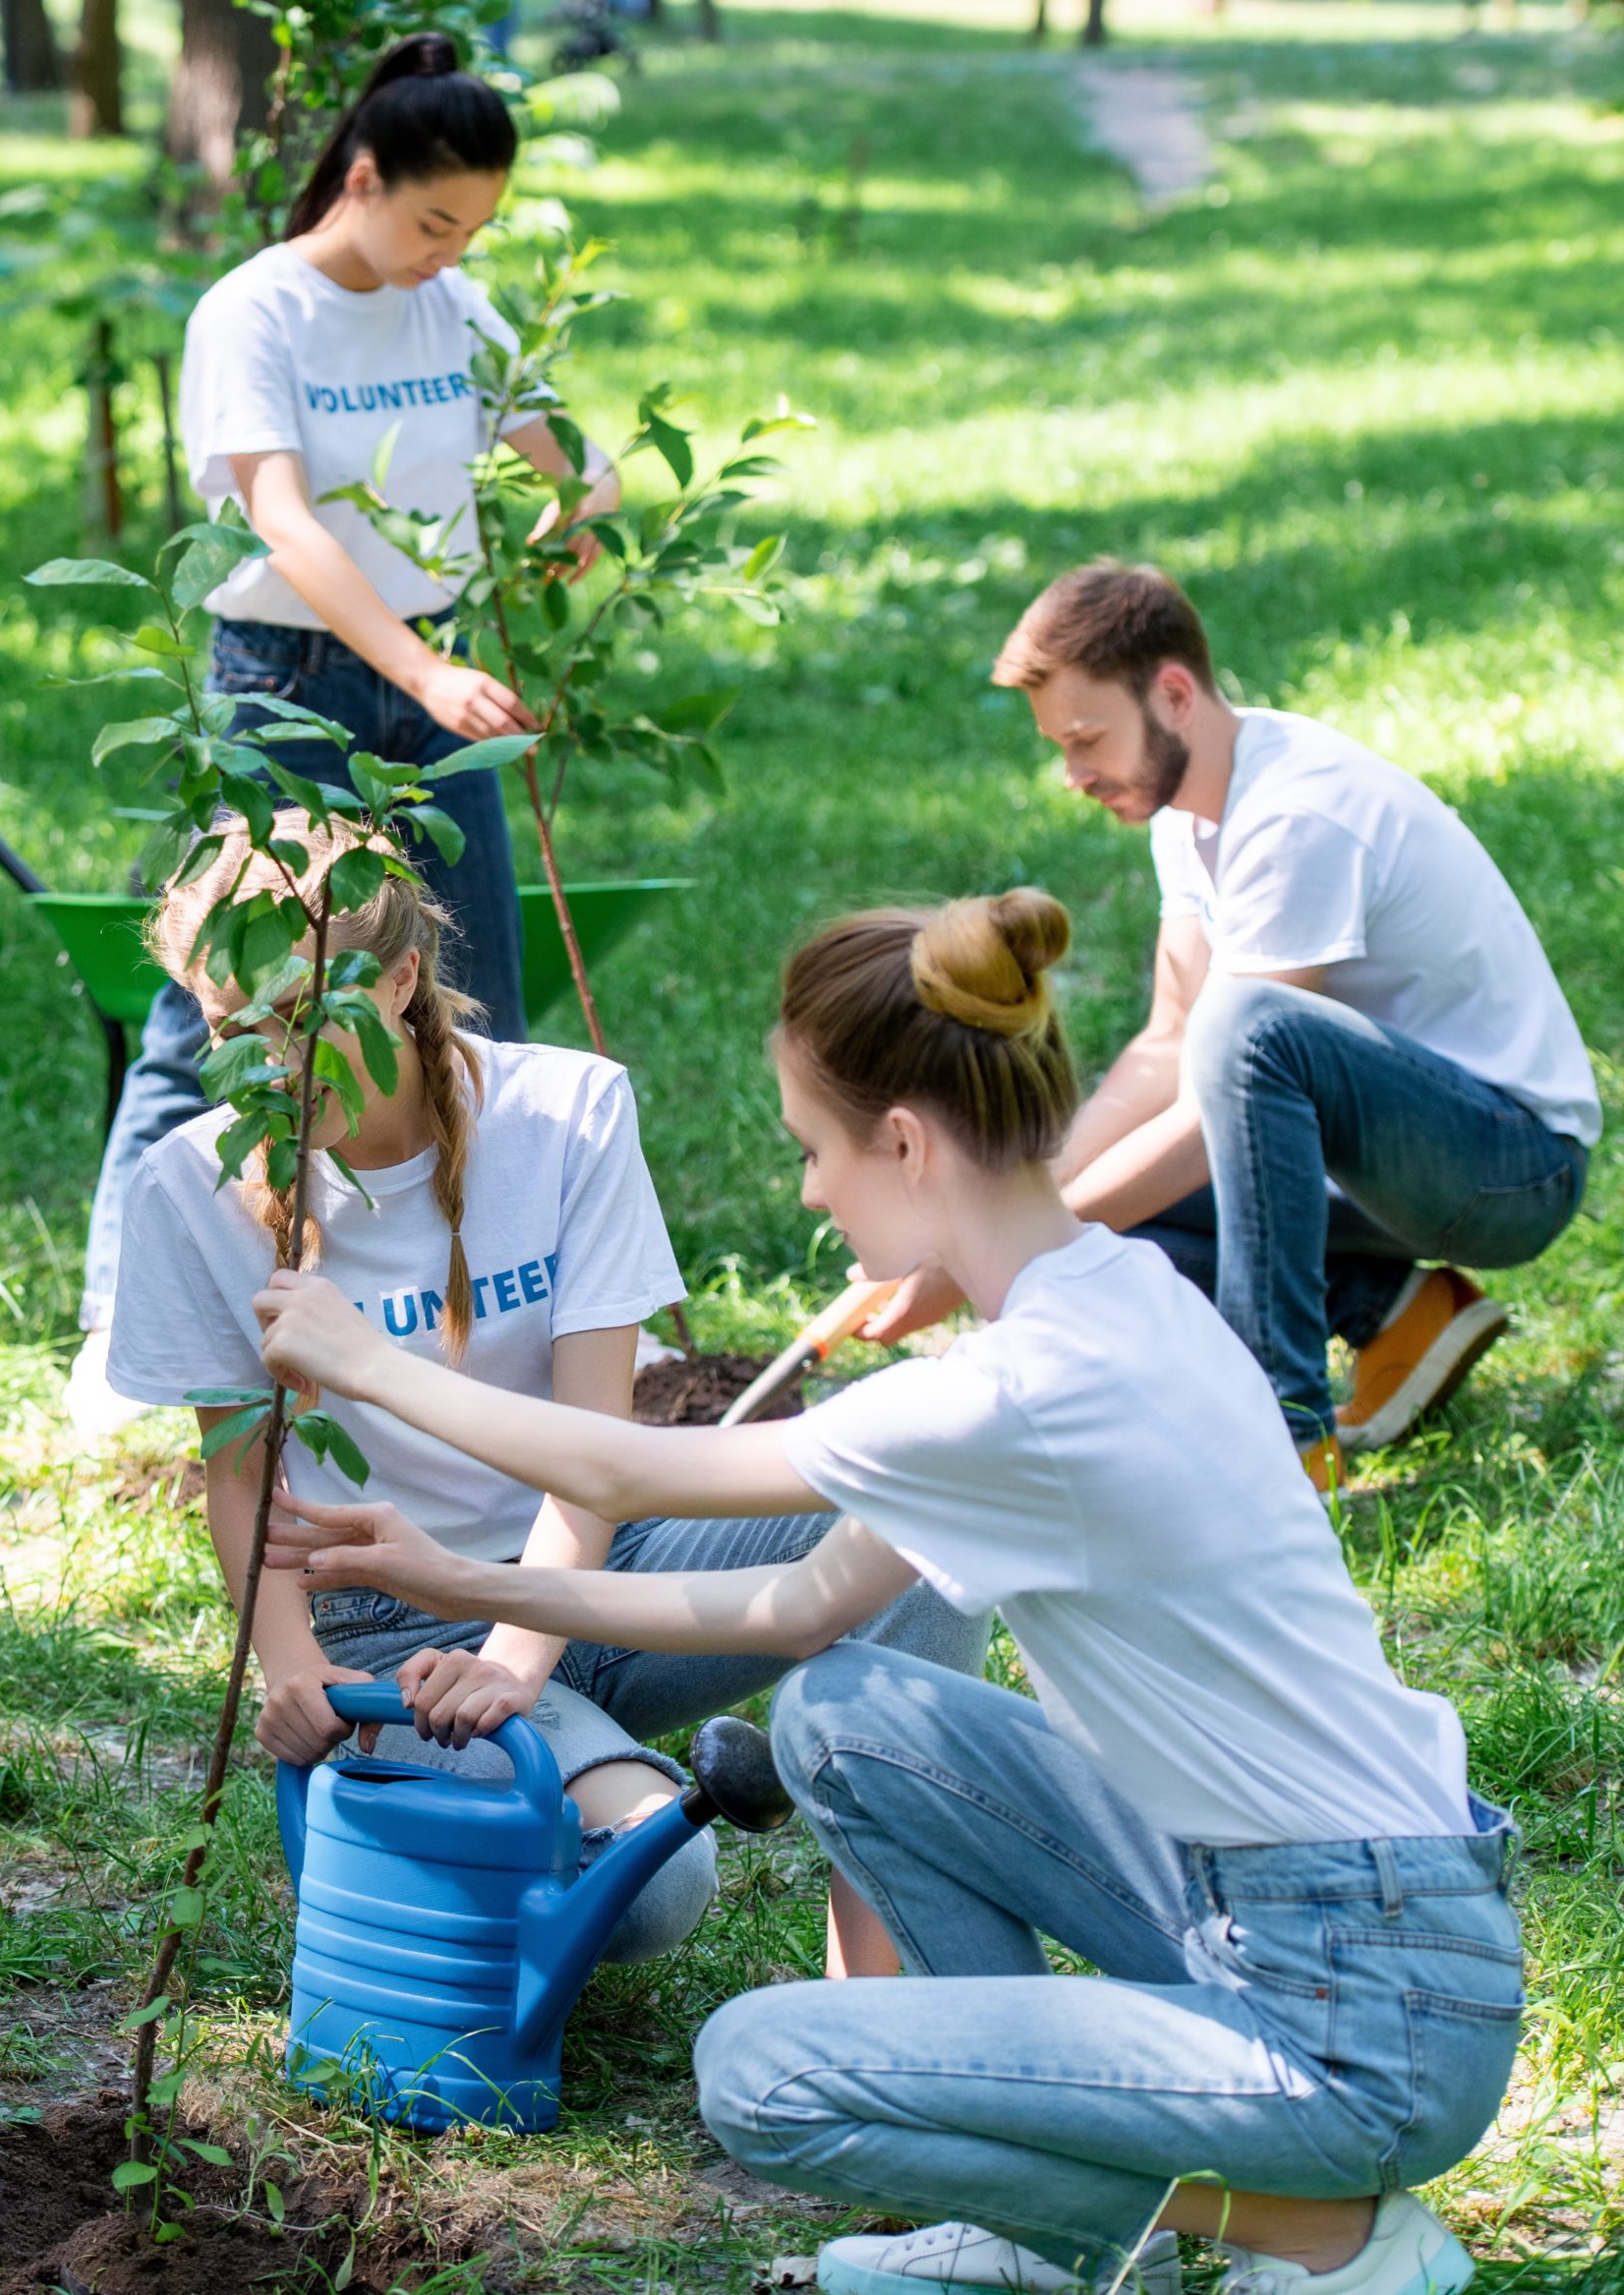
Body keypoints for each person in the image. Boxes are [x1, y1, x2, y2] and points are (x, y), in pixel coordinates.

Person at [254, 889, 1518, 2295]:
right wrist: (455, 1575)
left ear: (905, 1142)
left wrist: (366, 1361)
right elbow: (799, 1614)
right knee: (849, 1710)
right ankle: (1040, 2230)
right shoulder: (1126, 1296)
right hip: (1373, 1926)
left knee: (761, 2070)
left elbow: (624, 1462)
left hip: (1359, 2016)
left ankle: (1317, 2230)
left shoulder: (1009, 1393)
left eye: (812, 1150)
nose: (806, 1188)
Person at [104, 816, 986, 1974]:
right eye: (231, 1033)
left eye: (299, 1017)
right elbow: (241, 1475)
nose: (267, 1064)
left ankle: (874, 1979)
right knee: (652, 1888)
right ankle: (530, 1783)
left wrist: (519, 1659)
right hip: (395, 1628)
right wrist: (292, 1663)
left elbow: (591, 1451)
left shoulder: (569, 1116)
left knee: (923, 1507)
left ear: (403, 975)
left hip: (599, 1563)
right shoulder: (193, 1186)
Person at [70, 31, 623, 1428]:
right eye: (435, 220)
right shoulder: (254, 313)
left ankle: (480, 1319)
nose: (451, 251)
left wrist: (572, 518)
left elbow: (578, 459)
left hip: (431, 675)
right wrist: (423, 674)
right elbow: (283, 520)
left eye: (476, 228)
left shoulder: (459, 310)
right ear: (362, 178)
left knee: (468, 984)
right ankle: (122, 1331)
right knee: (225, 1001)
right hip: (293, 679)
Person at [870, 562, 1595, 1486]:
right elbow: (1171, 1041)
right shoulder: (1189, 810)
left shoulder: (1298, 813)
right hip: (1385, 1160)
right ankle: (1392, 1309)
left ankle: (1289, 1434)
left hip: (1512, 1166)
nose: (1074, 775)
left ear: (1173, 694)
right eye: (1061, 746)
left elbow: (1233, 1085)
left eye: (1088, 739)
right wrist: (1022, 1203)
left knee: (1251, 1033)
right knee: (1113, 1233)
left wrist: (1008, 1242)